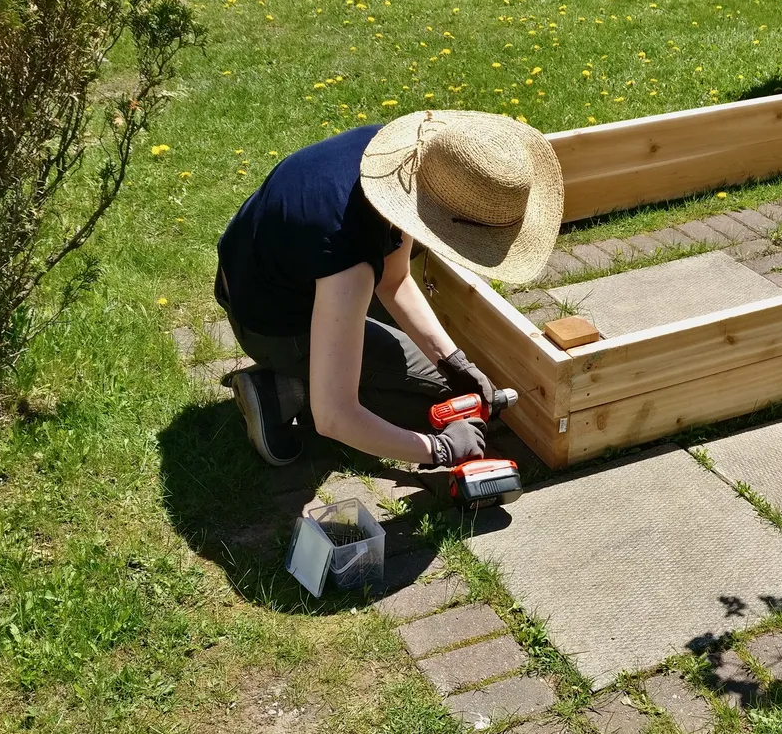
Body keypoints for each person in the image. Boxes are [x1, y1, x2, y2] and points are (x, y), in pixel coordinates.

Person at [215, 109, 564, 473]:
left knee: (444, 378)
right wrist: (438, 448)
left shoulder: (397, 161)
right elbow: (335, 417)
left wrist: (453, 360)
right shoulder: (348, 256)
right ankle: (282, 393)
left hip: (260, 274)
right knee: (438, 398)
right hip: (269, 324)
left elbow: (394, 281)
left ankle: (308, 376)